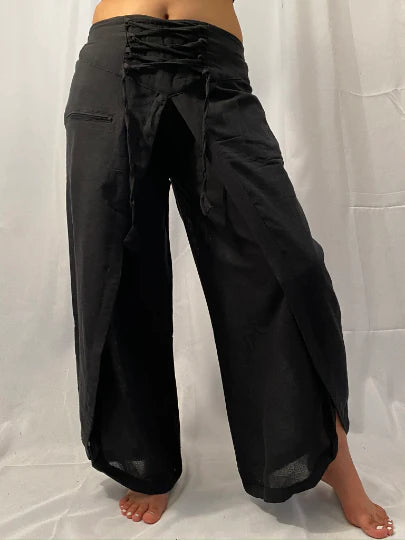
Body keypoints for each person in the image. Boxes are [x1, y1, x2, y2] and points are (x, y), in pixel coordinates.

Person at [63, 0, 394, 537]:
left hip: (214, 68)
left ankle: (328, 448)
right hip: (113, 62)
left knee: (292, 267)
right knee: (116, 271)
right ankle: (145, 460)